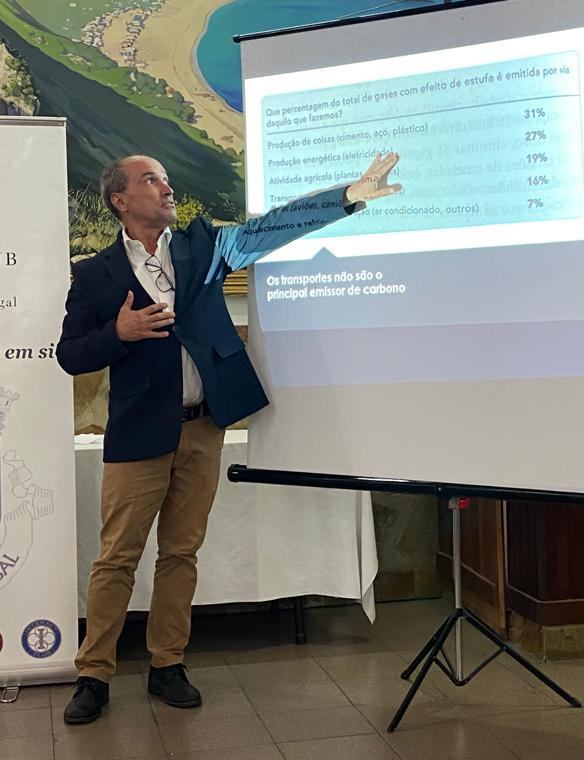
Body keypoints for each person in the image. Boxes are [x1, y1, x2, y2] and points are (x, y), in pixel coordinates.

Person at [57, 152, 401, 724]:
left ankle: (168, 664)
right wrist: (119, 332)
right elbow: (70, 354)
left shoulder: (204, 248)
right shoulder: (95, 273)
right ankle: (93, 674)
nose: (167, 187)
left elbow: (272, 227)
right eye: (151, 180)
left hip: (202, 428)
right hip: (137, 433)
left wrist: (347, 196)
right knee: (117, 558)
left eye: (166, 178)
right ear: (120, 199)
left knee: (181, 553)